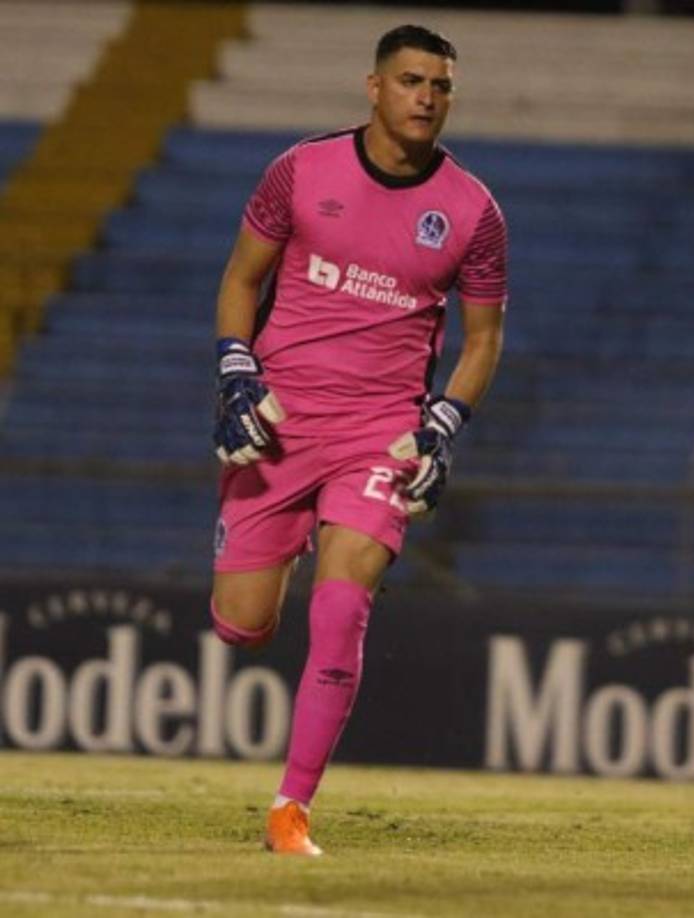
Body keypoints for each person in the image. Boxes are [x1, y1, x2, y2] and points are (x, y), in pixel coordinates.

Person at [209, 24, 507, 856]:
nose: (427, 97)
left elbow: (483, 340)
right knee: (242, 624)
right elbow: (241, 278)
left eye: (440, 85)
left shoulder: (475, 211)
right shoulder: (301, 170)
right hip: (279, 426)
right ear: (373, 88)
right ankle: (290, 533)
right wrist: (237, 370)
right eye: (412, 81)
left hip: (381, 437)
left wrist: (444, 422)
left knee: (342, 607)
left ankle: (290, 811)